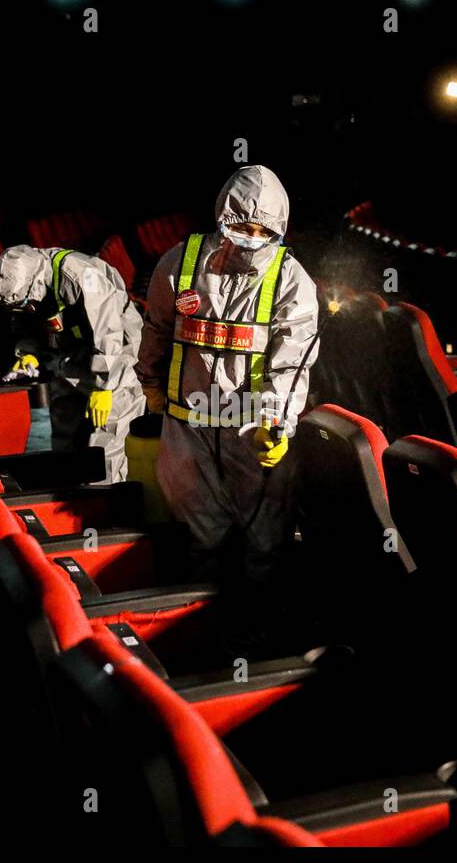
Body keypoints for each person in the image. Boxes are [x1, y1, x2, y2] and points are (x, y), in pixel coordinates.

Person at [136, 165, 320, 598]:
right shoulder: (181, 263)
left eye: (263, 229)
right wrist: (149, 382)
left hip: (249, 431)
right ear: (223, 216)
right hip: (188, 429)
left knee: (266, 537)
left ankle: (258, 629)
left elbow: (291, 364)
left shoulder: (291, 280)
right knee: (198, 537)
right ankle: (202, 628)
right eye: (241, 225)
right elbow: (157, 328)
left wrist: (275, 423)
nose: (251, 236)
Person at [0, 245, 144, 483]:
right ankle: (66, 489)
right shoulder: (24, 288)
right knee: (65, 429)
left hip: (114, 355)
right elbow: (25, 321)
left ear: (37, 282)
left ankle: (104, 502)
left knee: (107, 440)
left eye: (27, 303)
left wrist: (105, 388)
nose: (27, 308)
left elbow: (109, 332)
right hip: (70, 352)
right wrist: (29, 353)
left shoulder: (80, 276)